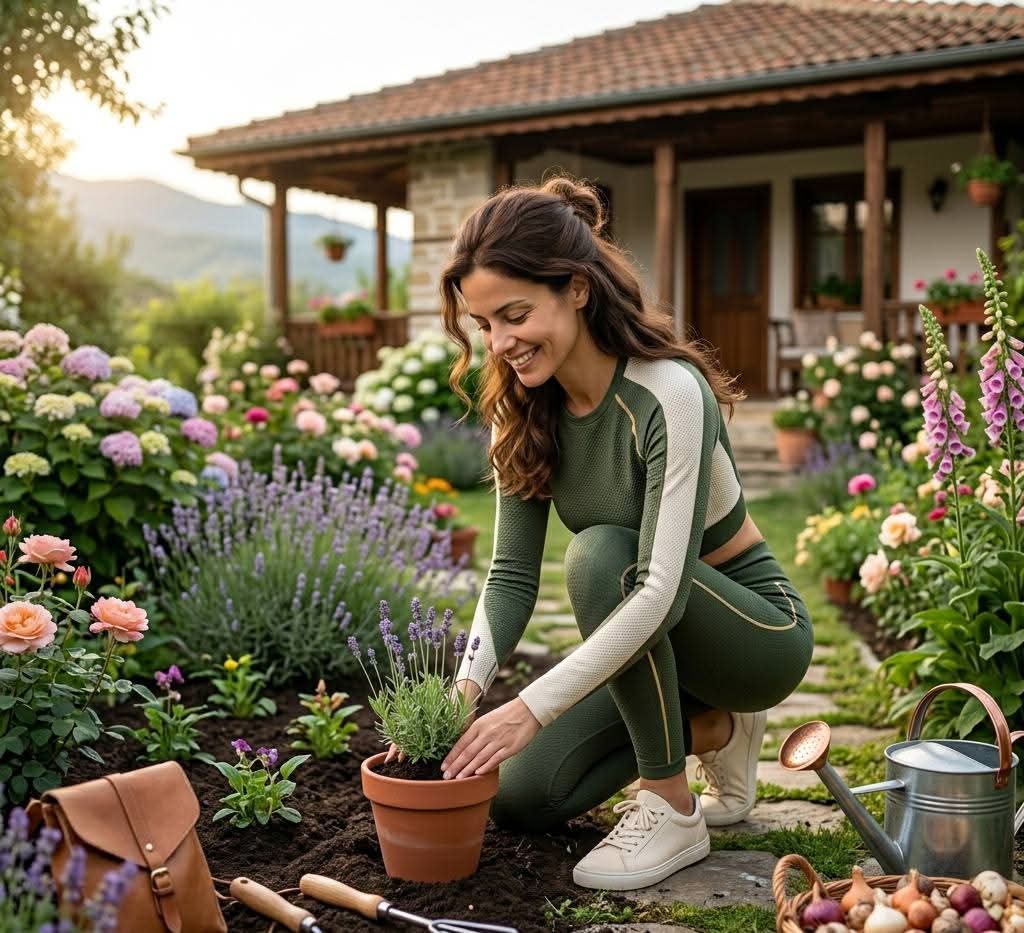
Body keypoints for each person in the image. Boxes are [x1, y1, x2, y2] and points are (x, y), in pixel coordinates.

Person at [392, 175, 813, 892]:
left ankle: (671, 803)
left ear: (578, 289)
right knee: (522, 793)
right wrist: (462, 693)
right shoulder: (523, 405)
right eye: (483, 324)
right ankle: (714, 727)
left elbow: (658, 594)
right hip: (656, 628)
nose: (500, 343)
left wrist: (531, 705)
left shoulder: (667, 392)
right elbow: (511, 577)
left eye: (515, 314)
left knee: (599, 558)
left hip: (756, 633)